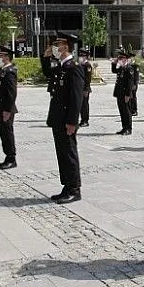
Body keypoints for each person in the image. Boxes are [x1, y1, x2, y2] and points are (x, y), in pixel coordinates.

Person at [46, 33, 85, 204]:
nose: (55, 47)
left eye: (57, 44)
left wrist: (72, 121)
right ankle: (66, 185)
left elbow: (76, 98)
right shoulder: (61, 66)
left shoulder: (74, 67)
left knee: (69, 153)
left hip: (66, 119)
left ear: (66, 46)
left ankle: (74, 189)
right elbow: (47, 72)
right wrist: (45, 57)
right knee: (61, 153)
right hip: (57, 117)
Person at [0, 46, 19, 169]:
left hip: (6, 109)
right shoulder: (2, 70)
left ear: (7, 57)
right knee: (3, 133)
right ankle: (8, 156)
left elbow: (12, 93)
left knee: (7, 133)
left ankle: (11, 158)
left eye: (0, 56)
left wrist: (7, 110)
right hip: (0, 107)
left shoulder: (10, 71)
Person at [111, 51, 135, 135]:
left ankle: (128, 128)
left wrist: (128, 94)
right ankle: (124, 127)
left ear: (126, 59)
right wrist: (114, 63)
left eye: (121, 58)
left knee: (127, 111)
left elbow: (130, 83)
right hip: (119, 93)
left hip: (125, 94)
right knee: (122, 111)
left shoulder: (129, 69)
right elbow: (114, 70)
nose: (119, 60)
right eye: (119, 58)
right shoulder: (121, 68)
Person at [79, 48, 93, 127]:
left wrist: (86, 89)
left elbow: (88, 79)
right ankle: (82, 119)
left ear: (86, 57)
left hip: (84, 89)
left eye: (83, 56)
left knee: (84, 105)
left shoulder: (87, 65)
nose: (81, 57)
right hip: (79, 88)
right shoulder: (80, 65)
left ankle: (85, 120)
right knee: (80, 105)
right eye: (80, 55)